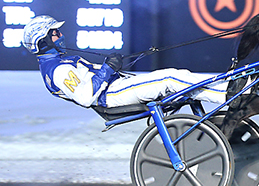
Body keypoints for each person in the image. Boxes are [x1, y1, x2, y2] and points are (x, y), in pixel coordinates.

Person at [22, 15, 229, 108]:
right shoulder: (57, 71)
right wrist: (107, 69)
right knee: (169, 78)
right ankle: (229, 95)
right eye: (55, 33)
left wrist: (109, 69)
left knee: (179, 76)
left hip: (115, 88)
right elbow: (85, 98)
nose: (61, 35)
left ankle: (228, 88)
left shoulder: (60, 62)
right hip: (111, 95)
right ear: (43, 42)